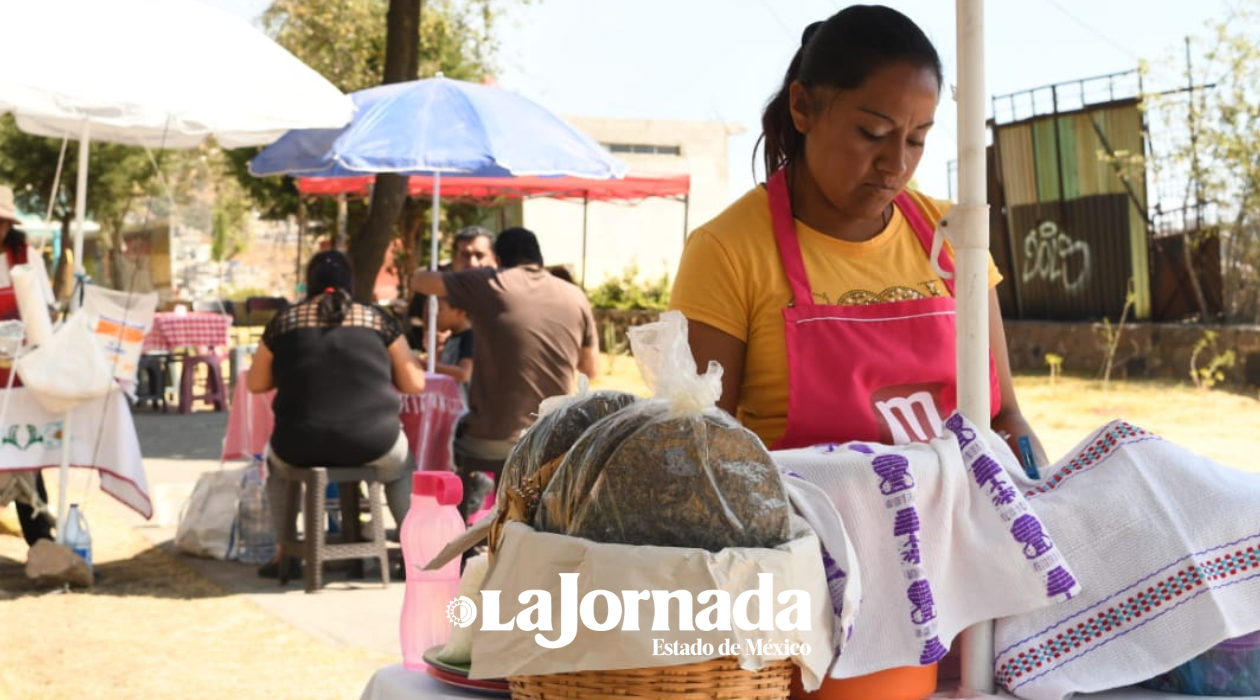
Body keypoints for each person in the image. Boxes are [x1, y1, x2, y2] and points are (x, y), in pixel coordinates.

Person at [670, 6, 1047, 464]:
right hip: (815, 531)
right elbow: (702, 460)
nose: (895, 164)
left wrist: (1035, 493)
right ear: (803, 107)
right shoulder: (728, 252)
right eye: (873, 133)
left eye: (916, 140)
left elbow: (1006, 417)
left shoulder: (957, 240)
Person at [247, 251, 426, 576]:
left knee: (276, 469)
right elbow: (415, 383)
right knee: (400, 469)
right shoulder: (377, 319)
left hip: (298, 445)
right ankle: (417, 557)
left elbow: (256, 383)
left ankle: (284, 554)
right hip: (375, 443)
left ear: (308, 283)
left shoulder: (283, 322)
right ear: (350, 281)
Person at [411, 227, 600, 518]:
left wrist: (462, 270)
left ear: (497, 259)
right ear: (539, 257)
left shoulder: (489, 282)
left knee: (444, 434)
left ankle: (458, 540)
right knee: (553, 519)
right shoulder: (575, 296)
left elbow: (419, 281)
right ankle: (543, 551)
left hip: (493, 440)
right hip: (555, 438)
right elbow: (591, 369)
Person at [0, 184, 55, 546]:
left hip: (21, 374)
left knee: (25, 453)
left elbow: (46, 311)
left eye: (2, 221)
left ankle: (41, 539)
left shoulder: (24, 257)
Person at [406, 225, 497, 350]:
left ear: (494, 258)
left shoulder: (503, 289)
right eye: (465, 255)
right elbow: (414, 320)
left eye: (479, 255)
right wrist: (430, 331)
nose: (472, 263)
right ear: (454, 258)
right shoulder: (435, 287)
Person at [433, 295, 473, 405]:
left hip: (464, 408)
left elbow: (464, 373)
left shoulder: (469, 338)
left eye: (440, 310)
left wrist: (424, 364)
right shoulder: (451, 338)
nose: (435, 315)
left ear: (460, 312)